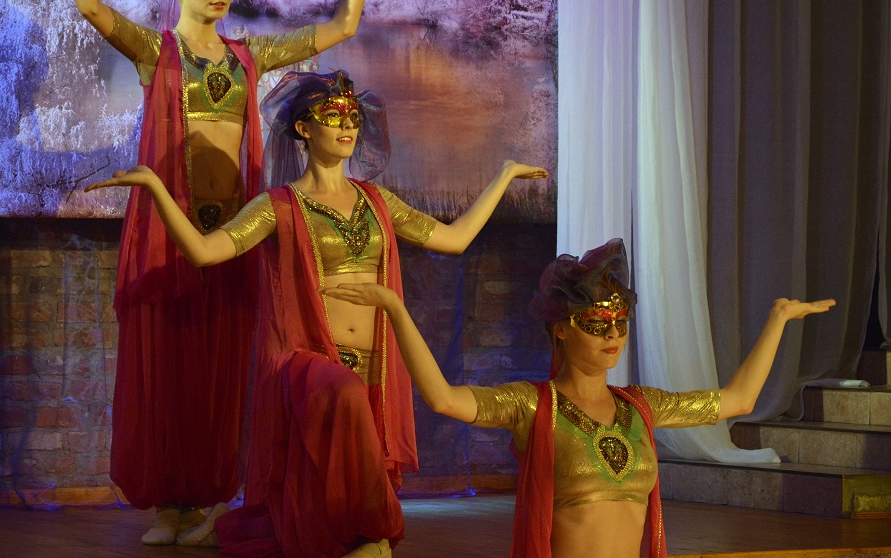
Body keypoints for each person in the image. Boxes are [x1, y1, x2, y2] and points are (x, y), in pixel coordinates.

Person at [15, 0, 408, 545]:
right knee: (168, 371)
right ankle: (170, 504)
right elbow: (91, 8)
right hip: (169, 239)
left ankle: (204, 500)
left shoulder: (249, 57)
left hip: (231, 241)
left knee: (220, 377)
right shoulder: (156, 51)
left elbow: (339, 27)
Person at [87, 69, 548, 556]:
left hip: (372, 364)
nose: (347, 126)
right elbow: (204, 252)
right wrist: (155, 188)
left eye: (353, 116)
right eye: (333, 116)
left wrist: (503, 176)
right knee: (342, 414)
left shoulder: (378, 201)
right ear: (304, 129)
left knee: (326, 503)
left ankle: (257, 524)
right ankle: (376, 535)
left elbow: (453, 240)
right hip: (308, 364)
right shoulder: (278, 206)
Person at [322, 238, 835, 558]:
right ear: (563, 329)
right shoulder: (531, 406)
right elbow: (443, 399)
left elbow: (738, 400)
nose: (612, 335)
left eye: (620, 324)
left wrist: (777, 320)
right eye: (596, 324)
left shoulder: (640, 406)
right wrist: (396, 310)